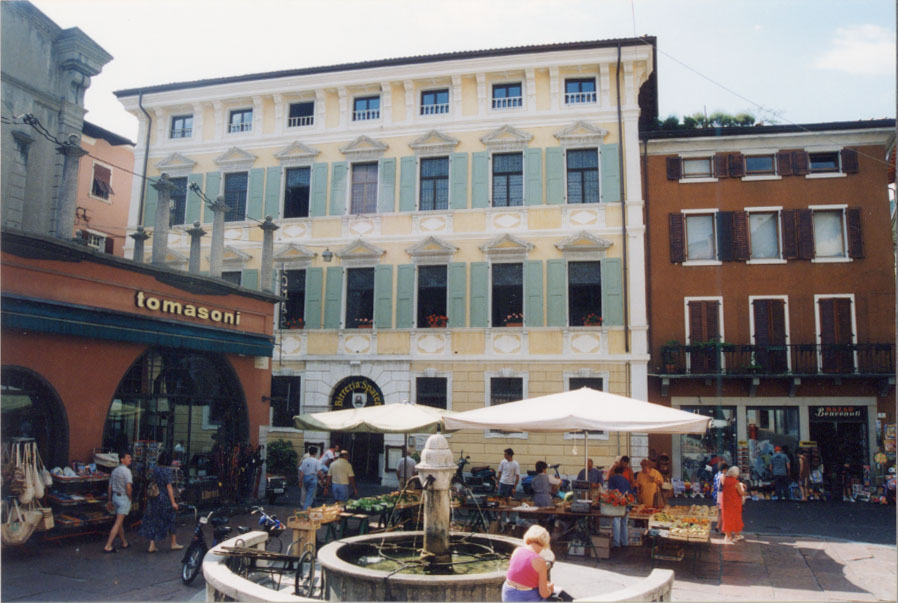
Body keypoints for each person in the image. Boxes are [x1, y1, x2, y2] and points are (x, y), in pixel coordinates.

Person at [140, 451, 183, 553]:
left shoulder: (155, 469)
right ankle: (173, 543)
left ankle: (152, 544)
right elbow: (169, 487)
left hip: (154, 497)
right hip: (164, 499)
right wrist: (173, 502)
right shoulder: (167, 471)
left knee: (154, 519)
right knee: (171, 519)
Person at [502, 524, 555, 602]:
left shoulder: (517, 551)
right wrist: (550, 589)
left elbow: (521, 576)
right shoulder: (539, 561)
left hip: (508, 593)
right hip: (525, 596)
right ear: (545, 542)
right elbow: (544, 593)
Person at [103, 451, 133, 553]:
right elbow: (128, 487)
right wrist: (130, 498)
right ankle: (108, 545)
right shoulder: (127, 472)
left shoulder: (114, 471)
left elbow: (110, 487)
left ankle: (124, 542)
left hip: (115, 497)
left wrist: (109, 500)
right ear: (122, 459)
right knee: (118, 523)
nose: (130, 459)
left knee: (119, 522)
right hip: (123, 498)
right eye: (128, 457)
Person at [607, 465, 632, 549]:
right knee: (624, 523)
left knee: (616, 521)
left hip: (617, 504)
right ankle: (625, 543)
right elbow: (629, 494)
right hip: (626, 504)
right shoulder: (626, 480)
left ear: (614, 472)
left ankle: (616, 543)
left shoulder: (612, 479)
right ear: (622, 472)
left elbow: (610, 491)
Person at [721, 466, 746, 543]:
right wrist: (745, 490)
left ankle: (728, 536)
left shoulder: (725, 480)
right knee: (736, 519)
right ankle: (737, 535)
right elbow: (741, 493)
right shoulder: (736, 482)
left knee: (727, 519)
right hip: (734, 503)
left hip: (725, 503)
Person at [298, 446, 320, 510]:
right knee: (310, 494)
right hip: (313, 478)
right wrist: (322, 479)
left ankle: (312, 507)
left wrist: (300, 481)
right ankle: (305, 510)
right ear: (315, 453)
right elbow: (319, 472)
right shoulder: (316, 461)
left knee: (306, 492)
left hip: (305, 478)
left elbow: (301, 471)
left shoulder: (304, 460)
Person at [712, 462, 729, 533]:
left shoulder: (716, 475)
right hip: (722, 495)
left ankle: (718, 526)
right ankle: (723, 530)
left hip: (716, 494)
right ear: (724, 469)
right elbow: (724, 485)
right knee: (724, 512)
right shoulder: (723, 476)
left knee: (721, 511)